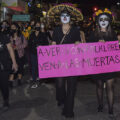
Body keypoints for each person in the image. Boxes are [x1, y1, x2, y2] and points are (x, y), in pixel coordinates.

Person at [48, 3, 83, 119]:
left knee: (72, 87)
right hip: (60, 63)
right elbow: (53, 43)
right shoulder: (56, 30)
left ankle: (69, 111)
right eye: (62, 15)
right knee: (60, 84)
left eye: (66, 15)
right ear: (60, 18)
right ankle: (61, 99)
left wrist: (78, 43)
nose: (64, 17)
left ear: (70, 18)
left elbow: (78, 42)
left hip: (73, 63)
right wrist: (49, 48)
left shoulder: (75, 30)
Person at [88, 8, 117, 119]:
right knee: (99, 86)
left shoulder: (113, 33)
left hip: (110, 65)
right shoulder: (93, 34)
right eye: (101, 19)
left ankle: (110, 109)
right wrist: (96, 43)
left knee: (110, 87)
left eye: (106, 19)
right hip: (98, 66)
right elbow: (88, 49)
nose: (103, 21)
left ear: (109, 21)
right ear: (98, 21)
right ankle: (100, 105)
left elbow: (115, 49)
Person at [28, 21, 49, 88]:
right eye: (36, 25)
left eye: (38, 25)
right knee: (34, 66)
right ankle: (34, 80)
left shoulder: (43, 35)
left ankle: (40, 78)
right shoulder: (31, 34)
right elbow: (29, 44)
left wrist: (41, 47)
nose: (37, 27)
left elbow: (46, 43)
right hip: (33, 53)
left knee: (40, 66)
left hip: (41, 54)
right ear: (34, 26)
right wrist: (33, 48)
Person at [0, 31, 18, 111]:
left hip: (3, 66)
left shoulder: (3, 37)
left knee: (4, 85)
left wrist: (14, 62)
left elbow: (10, 49)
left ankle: (6, 101)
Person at [9, 23, 27, 87]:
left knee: (20, 68)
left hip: (20, 54)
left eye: (13, 27)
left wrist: (18, 47)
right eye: (11, 27)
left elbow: (25, 44)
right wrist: (11, 47)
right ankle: (10, 82)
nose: (12, 28)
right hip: (12, 55)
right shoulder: (9, 36)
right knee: (12, 69)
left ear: (16, 28)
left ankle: (19, 80)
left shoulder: (21, 36)